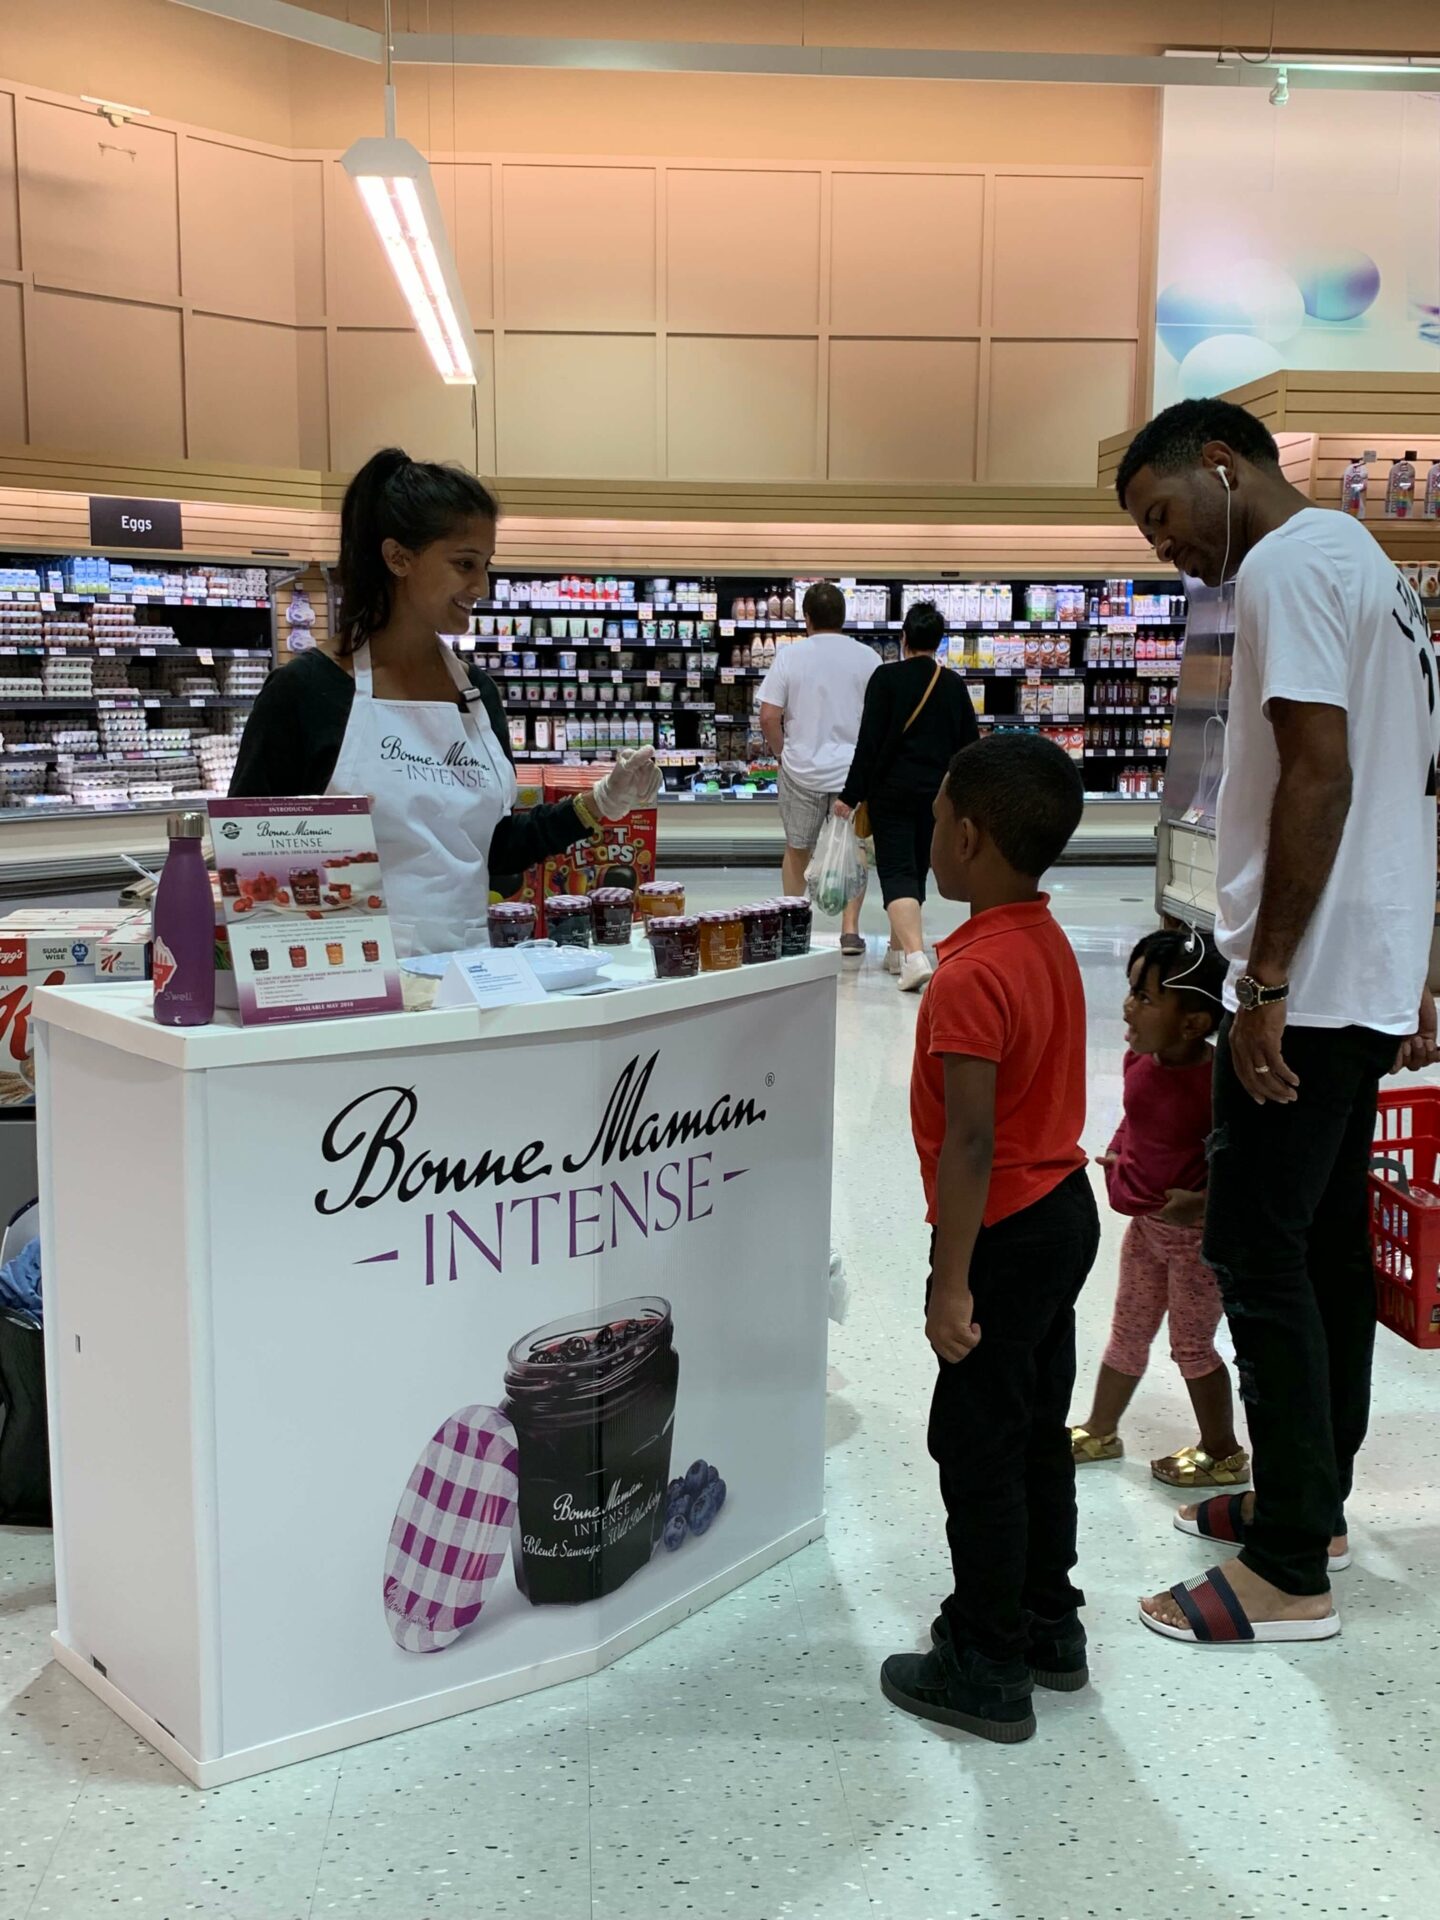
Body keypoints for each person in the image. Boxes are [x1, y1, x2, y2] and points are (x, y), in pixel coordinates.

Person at [1116, 396, 1440, 1647]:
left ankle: (1290, 1568)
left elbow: (1320, 770)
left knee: (1257, 1248)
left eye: (1163, 518)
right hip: (1360, 962)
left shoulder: (1287, 569)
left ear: (1220, 465)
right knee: (1323, 1243)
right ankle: (1318, 1504)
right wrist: (1408, 963)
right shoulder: (1373, 566)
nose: (1168, 549)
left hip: (1307, 982)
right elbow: (1417, 784)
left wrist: (1266, 983)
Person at [880, 733, 1098, 1744]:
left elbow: (970, 1142)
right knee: (1035, 1426)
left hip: (1002, 1231)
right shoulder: (1043, 940)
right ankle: (1052, 1624)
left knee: (974, 1445)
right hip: (1064, 1213)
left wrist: (947, 1283)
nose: (927, 834)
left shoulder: (970, 977)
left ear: (966, 836)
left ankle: (986, 1660)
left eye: (934, 820)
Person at [231, 448, 660, 958]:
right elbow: (248, 861)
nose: (481, 586)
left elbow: (493, 851)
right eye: (464, 564)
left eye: (485, 566)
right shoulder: (306, 693)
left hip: (468, 973)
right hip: (345, 987)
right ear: (398, 558)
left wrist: (600, 802)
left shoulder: (477, 695)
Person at [1072, 928, 1248, 1490]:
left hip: (1197, 1242)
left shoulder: (1218, 1084)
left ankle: (1223, 1452)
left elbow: (1246, 1163)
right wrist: (1122, 1148)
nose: (1128, 1005)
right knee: (1127, 1327)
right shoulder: (1137, 1062)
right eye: (1131, 991)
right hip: (1147, 1231)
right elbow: (1135, 1115)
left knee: (1192, 1346)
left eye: (1146, 998)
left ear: (1194, 1022)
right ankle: (1101, 1430)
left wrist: (1202, 1201)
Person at [835, 602, 979, 993]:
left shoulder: (885, 679)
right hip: (937, 798)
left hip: (891, 793)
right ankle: (897, 952)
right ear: (939, 641)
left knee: (897, 873)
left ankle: (915, 958)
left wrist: (850, 794)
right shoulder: (952, 685)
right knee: (917, 871)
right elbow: (969, 748)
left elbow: (869, 743)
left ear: (904, 638)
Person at [758, 581, 878, 959]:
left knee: (797, 849)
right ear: (844, 617)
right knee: (854, 849)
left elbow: (768, 716)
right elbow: (878, 720)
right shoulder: (868, 658)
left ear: (806, 618)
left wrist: (782, 754)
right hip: (852, 775)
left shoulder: (790, 656)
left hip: (801, 770)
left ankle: (793, 922)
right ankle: (850, 931)